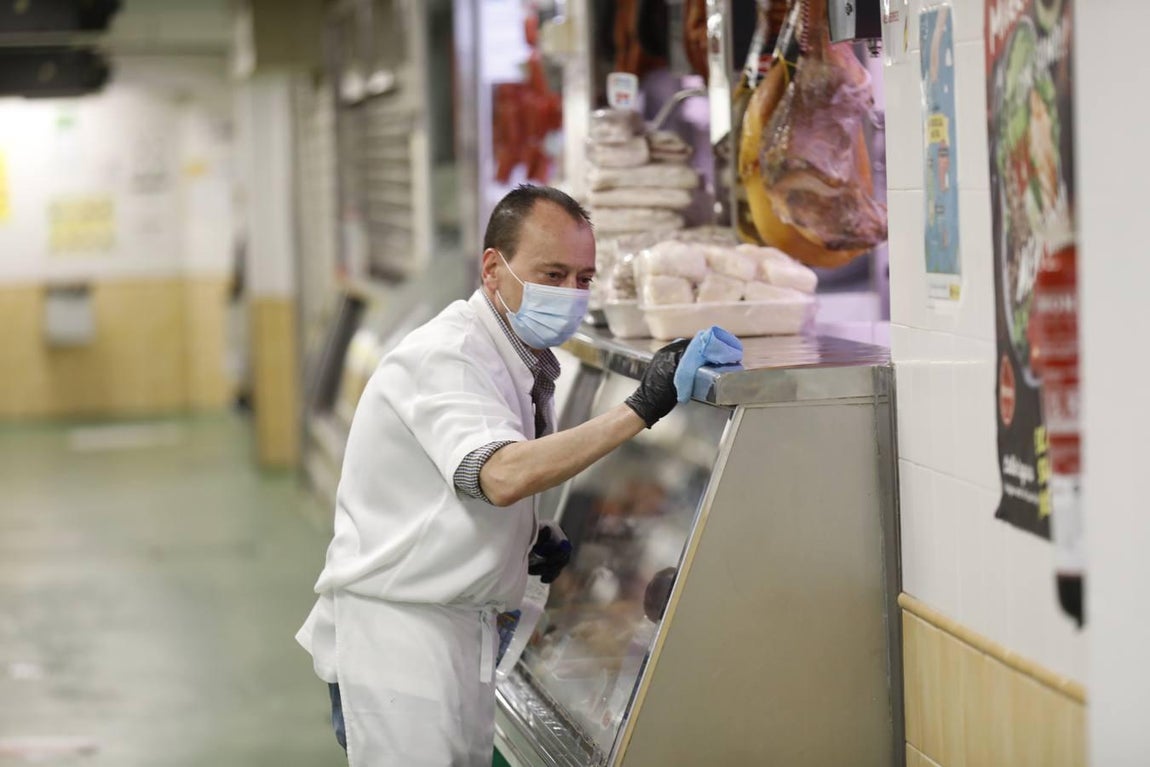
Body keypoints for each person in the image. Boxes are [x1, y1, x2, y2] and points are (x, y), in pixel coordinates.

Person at [295, 184, 688, 766]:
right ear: (492, 269)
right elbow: (500, 475)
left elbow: (474, 480)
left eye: (584, 278)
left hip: (454, 628)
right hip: (402, 639)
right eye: (552, 273)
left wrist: (522, 540)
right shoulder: (448, 355)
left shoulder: (517, 355)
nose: (570, 294)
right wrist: (640, 409)